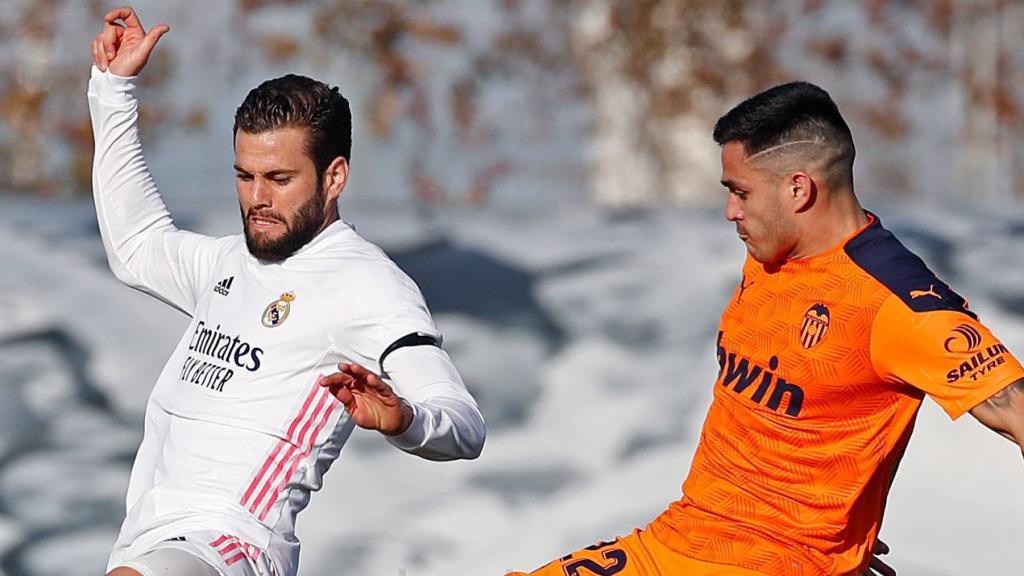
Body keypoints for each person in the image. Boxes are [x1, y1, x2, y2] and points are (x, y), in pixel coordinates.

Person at [508, 82, 1024, 575]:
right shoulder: (773, 255)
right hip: (684, 539)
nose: (731, 211)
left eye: (740, 192)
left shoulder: (895, 303)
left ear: (798, 189)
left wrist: (825, 551)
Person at [88, 7, 485, 576]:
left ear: (335, 177)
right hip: (148, 540)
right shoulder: (230, 262)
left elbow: (465, 425)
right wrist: (113, 89)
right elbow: (136, 246)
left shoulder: (366, 284)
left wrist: (407, 420)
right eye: (244, 176)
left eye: (279, 179)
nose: (256, 199)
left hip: (232, 548)